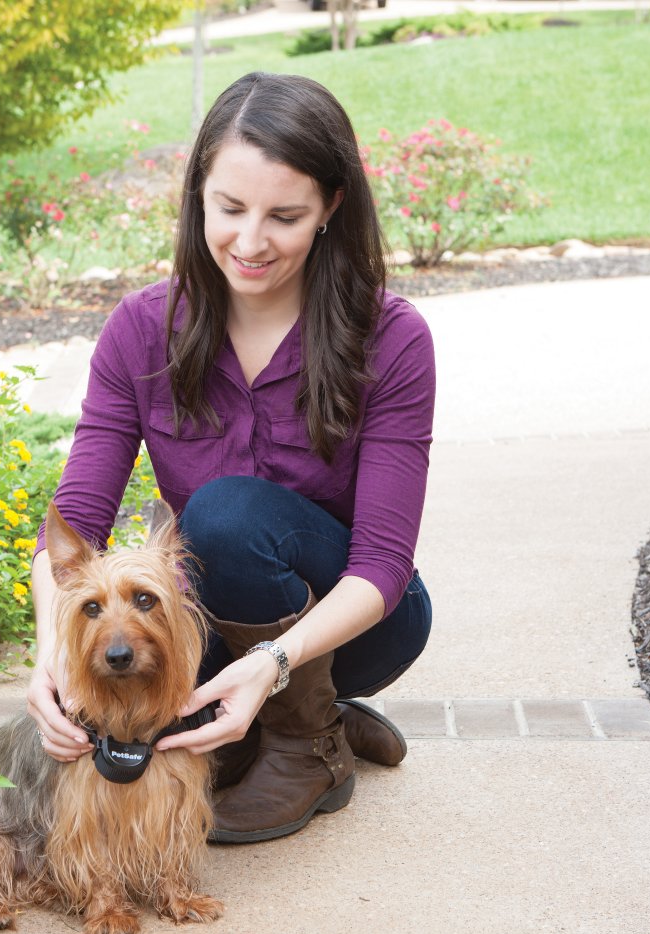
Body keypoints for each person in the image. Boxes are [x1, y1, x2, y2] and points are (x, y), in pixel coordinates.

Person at [26, 71, 435, 844]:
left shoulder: (392, 338)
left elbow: (383, 563)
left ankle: (306, 745)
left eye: (285, 216)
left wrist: (274, 662)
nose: (249, 243)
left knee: (225, 514)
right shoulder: (141, 330)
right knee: (149, 678)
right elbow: (73, 521)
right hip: (213, 626)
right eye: (230, 208)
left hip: (360, 624)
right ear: (198, 199)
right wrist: (54, 655)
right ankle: (303, 717)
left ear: (331, 206)